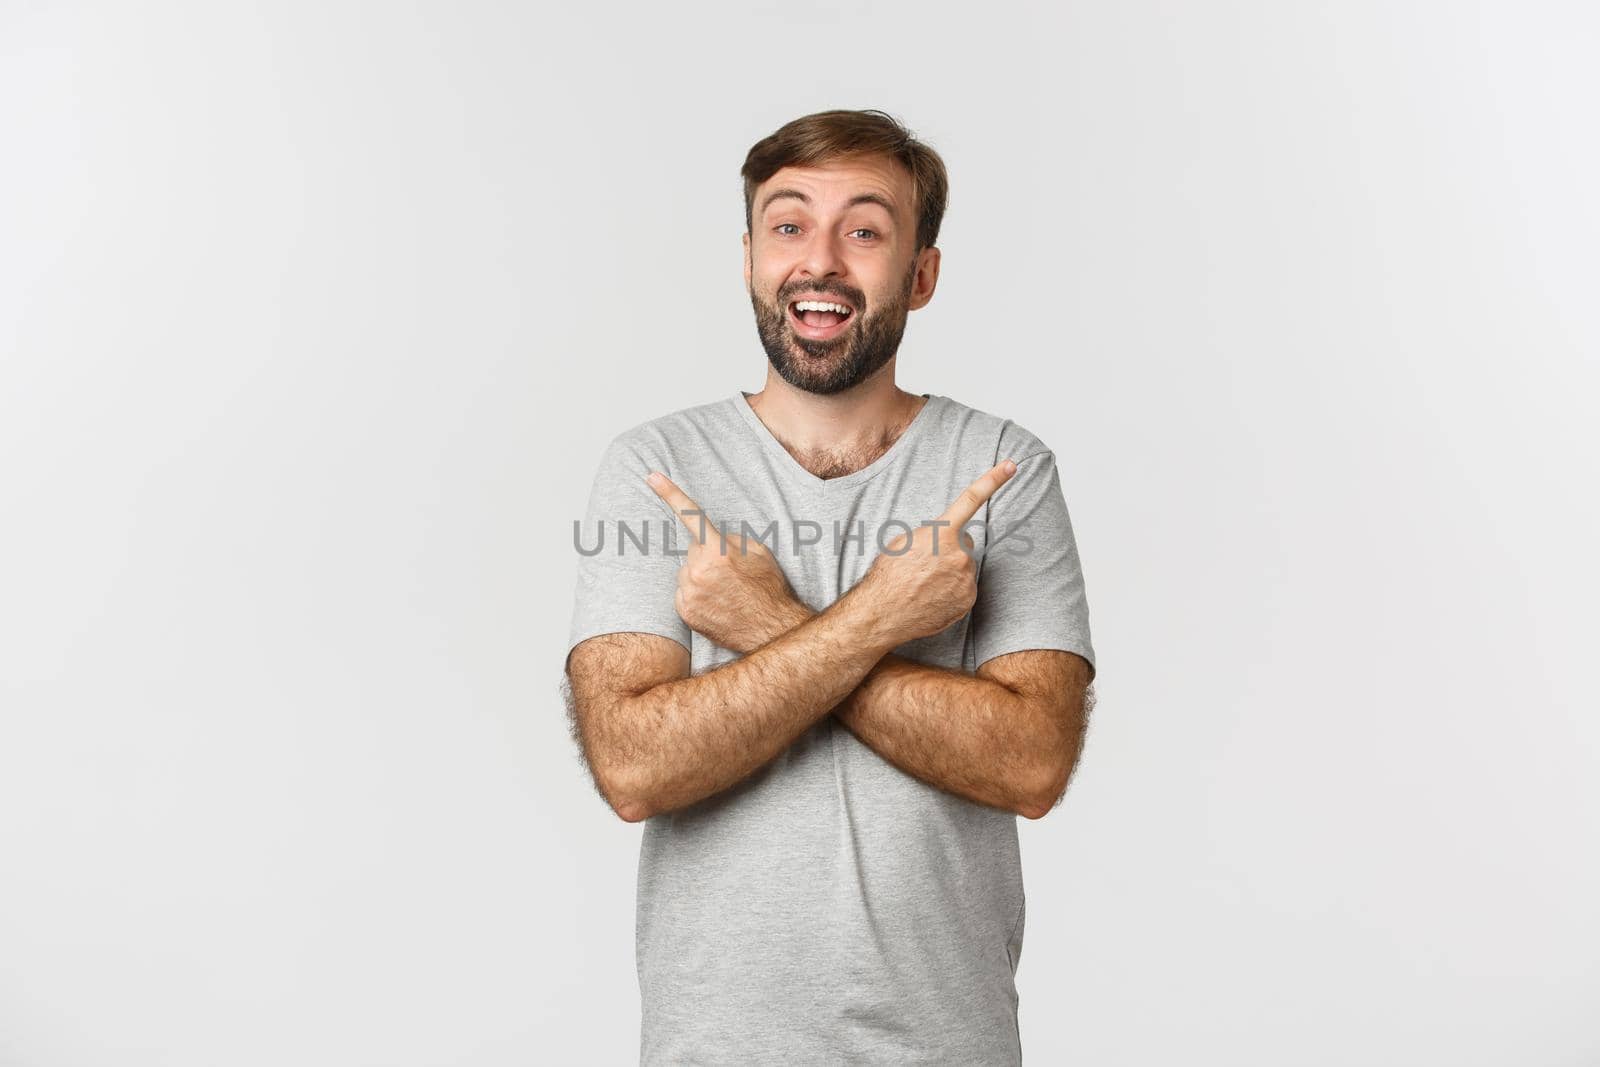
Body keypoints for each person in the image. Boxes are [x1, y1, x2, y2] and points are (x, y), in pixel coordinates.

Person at [562, 108, 1097, 1065]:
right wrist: (881, 618)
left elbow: (1031, 763)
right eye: (788, 224)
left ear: (921, 274)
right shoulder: (656, 467)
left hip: (948, 1041)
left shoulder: (1004, 468)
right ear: (750, 258)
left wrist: (768, 620)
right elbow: (635, 767)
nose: (821, 260)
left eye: (865, 229)